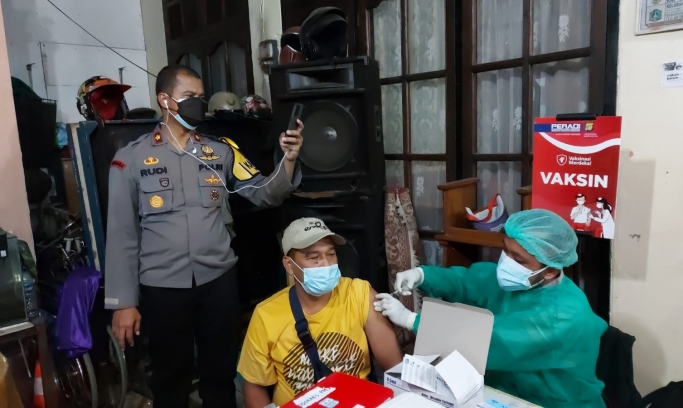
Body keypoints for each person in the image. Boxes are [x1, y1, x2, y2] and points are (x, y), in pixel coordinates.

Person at [104, 65, 304, 408]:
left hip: (218, 281)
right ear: (165, 100)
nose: (198, 104)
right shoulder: (130, 159)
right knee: (169, 378)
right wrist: (124, 302)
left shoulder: (221, 151)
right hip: (162, 287)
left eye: (201, 97)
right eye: (190, 97)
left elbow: (264, 193)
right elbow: (122, 234)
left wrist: (288, 159)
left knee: (220, 372)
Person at [374, 209, 607, 408]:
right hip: (502, 391)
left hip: (551, 401)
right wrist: (423, 275)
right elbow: (468, 281)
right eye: (506, 250)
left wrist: (412, 320)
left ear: (551, 271)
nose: (507, 262)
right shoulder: (521, 282)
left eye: (519, 259)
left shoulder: (563, 315)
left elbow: (488, 341)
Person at [238, 217, 403, 407]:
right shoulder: (266, 314)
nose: (325, 263)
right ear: (289, 265)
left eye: (331, 254)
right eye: (313, 257)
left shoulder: (359, 294)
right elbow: (254, 384)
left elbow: (394, 366)